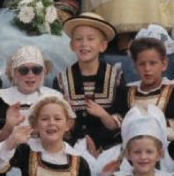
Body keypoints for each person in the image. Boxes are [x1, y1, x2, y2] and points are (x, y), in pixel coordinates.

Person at [53, 13, 126, 154]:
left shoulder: (115, 77)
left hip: (110, 149)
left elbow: (123, 119)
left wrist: (103, 115)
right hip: (72, 149)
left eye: (91, 39)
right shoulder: (62, 80)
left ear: (103, 45)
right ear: (72, 45)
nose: (84, 44)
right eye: (78, 39)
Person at [0, 46, 61, 134]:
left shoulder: (55, 97)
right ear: (14, 73)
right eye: (23, 70)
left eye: (36, 70)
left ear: (43, 72)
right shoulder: (1, 98)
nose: (30, 75)